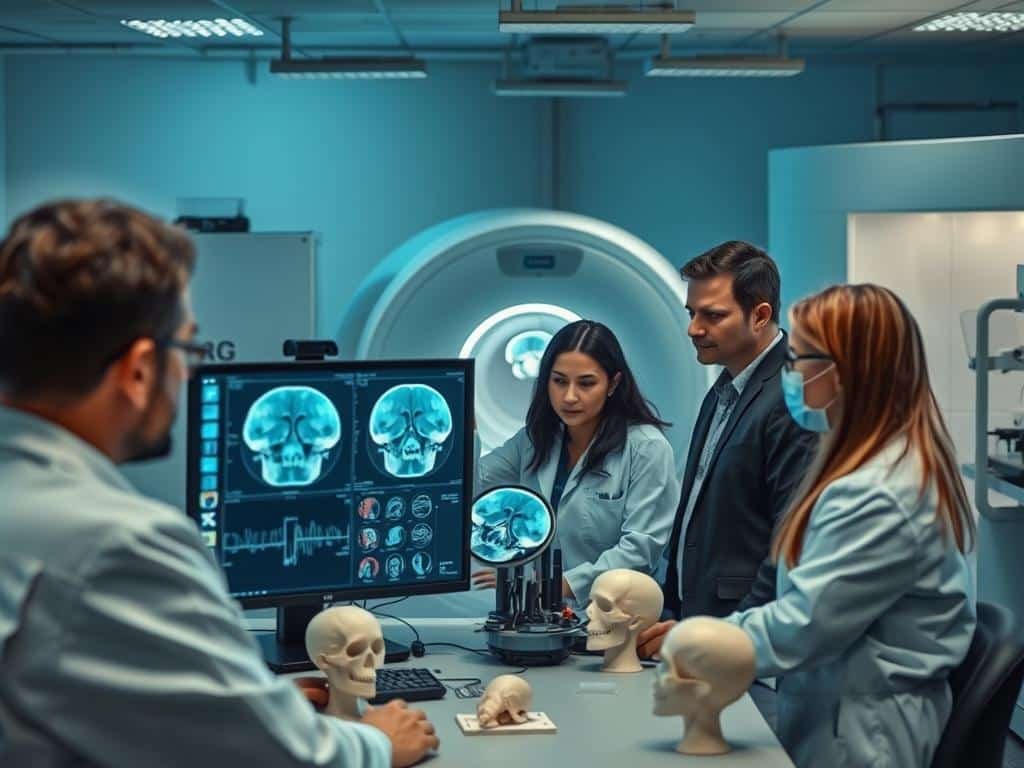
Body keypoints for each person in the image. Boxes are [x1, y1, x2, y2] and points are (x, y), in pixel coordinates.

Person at [0, 199, 438, 767]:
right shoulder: (118, 543)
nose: (187, 371)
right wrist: (379, 740)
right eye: (187, 348)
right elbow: (284, 760)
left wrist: (245, 706)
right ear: (137, 370)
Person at [728, 284, 975, 767]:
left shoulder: (880, 492)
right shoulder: (875, 467)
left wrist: (702, 643)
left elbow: (802, 625)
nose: (790, 376)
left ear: (844, 372)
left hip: (865, 737)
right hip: (841, 710)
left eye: (798, 359)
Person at [639, 241, 818, 657]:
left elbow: (789, 542)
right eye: (691, 313)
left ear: (760, 316)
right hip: (699, 620)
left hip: (745, 635)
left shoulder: (793, 398)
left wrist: (725, 638)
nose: (693, 328)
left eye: (712, 315)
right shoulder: (724, 388)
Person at [473, 320, 680, 607]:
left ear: (613, 384)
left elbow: (639, 552)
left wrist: (553, 586)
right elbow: (473, 485)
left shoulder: (647, 449)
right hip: (544, 614)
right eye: (559, 381)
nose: (569, 396)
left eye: (586, 383)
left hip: (613, 617)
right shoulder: (535, 440)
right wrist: (466, 431)